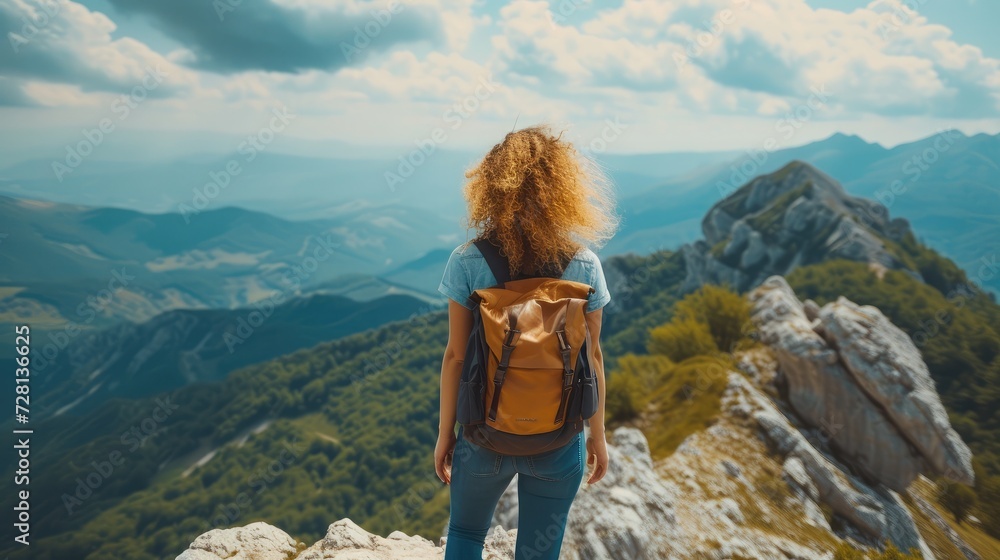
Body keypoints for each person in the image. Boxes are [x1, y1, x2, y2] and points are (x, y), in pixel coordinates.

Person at [434, 124, 620, 560]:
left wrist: (446, 434)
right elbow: (592, 356)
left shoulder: (467, 261)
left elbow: (456, 356)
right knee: (539, 552)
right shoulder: (585, 265)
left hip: (483, 434)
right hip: (559, 437)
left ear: (492, 187)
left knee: (464, 533)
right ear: (565, 189)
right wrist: (598, 434)